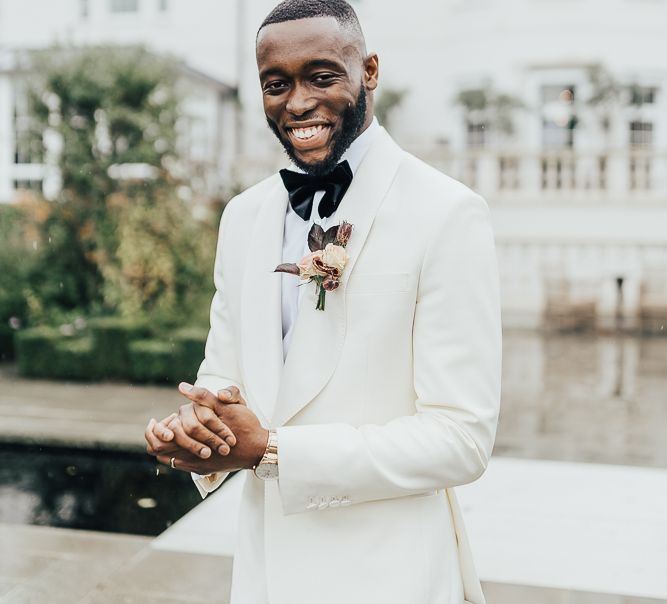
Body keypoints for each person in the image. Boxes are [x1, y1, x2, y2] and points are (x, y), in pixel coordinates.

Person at [145, 1, 501, 602]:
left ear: (369, 71)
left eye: (322, 76)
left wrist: (276, 450)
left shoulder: (447, 213)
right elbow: (225, 378)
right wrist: (202, 435)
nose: (298, 102)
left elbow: (460, 439)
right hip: (265, 571)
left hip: (391, 572)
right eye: (275, 84)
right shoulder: (244, 217)